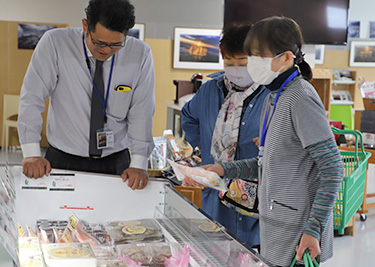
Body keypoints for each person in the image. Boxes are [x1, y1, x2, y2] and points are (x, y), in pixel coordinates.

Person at [202, 16, 344, 267]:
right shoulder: (273, 96)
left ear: (287, 58)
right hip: (276, 227)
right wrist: (223, 169)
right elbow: (266, 163)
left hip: (299, 235)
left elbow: (333, 169)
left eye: (258, 56)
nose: (252, 64)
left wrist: (313, 229)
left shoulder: (300, 98)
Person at [17, 0, 155, 190]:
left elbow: (142, 111)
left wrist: (139, 163)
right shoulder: (55, 43)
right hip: (64, 159)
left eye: (116, 45)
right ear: (85, 26)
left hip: (116, 161)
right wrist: (31, 153)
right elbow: (32, 98)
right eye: (99, 42)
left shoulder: (140, 54)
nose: (106, 50)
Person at [181, 24, 270, 249]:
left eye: (243, 63)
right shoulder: (211, 90)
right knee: (215, 250)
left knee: (251, 254)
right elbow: (188, 117)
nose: (236, 69)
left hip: (255, 199)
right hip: (216, 193)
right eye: (229, 63)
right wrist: (202, 145)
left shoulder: (272, 95)